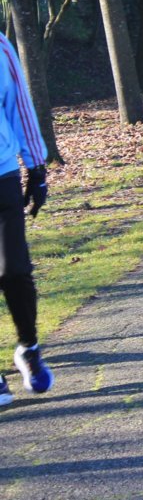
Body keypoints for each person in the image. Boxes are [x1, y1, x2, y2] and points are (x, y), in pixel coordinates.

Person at [0, 32, 52, 407]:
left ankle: (29, 348)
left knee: (14, 270)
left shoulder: (0, 46)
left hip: (1, 173)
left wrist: (36, 168)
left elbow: (19, 104)